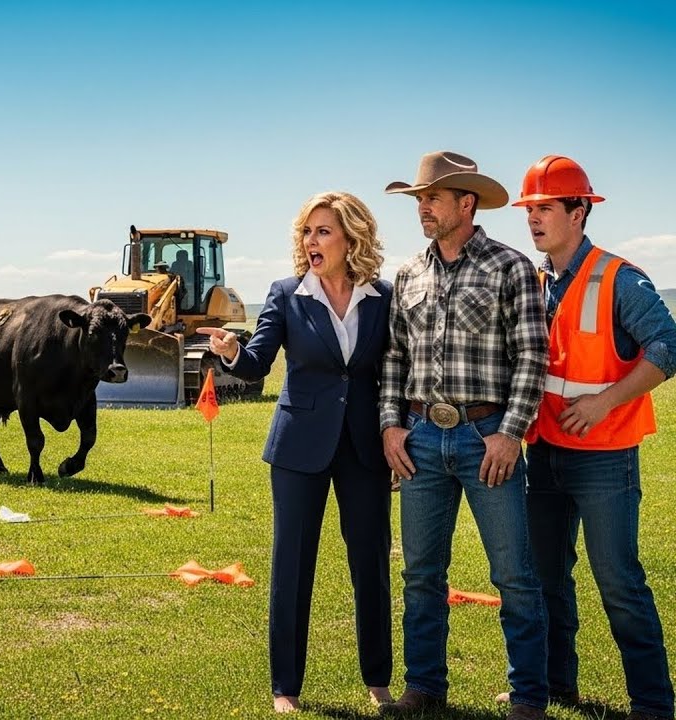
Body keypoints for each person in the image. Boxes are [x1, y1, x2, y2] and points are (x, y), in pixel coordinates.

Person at [199, 191, 393, 713]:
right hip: (298, 448)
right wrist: (231, 350)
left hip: (364, 448)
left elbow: (390, 372)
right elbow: (258, 361)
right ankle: (286, 687)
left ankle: (378, 679)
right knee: (292, 565)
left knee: (370, 561)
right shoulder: (286, 294)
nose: (312, 241)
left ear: (352, 237)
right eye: (307, 232)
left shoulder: (382, 296)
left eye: (324, 231)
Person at [378, 151, 551, 720]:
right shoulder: (409, 273)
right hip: (422, 438)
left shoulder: (511, 267)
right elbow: (395, 358)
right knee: (420, 574)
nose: (422, 208)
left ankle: (528, 696)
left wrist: (509, 433)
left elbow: (533, 357)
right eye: (419, 200)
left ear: (467, 203)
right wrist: (391, 426)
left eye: (432, 198)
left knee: (514, 576)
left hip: (487, 439)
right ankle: (424, 687)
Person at [505, 155, 674, 720]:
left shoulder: (619, 277)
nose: (534, 219)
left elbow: (667, 349)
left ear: (580, 211)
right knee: (547, 579)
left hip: (606, 459)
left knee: (619, 583)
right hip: (545, 453)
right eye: (530, 209)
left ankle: (653, 704)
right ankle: (557, 687)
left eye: (546, 208)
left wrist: (604, 402)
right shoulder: (534, 280)